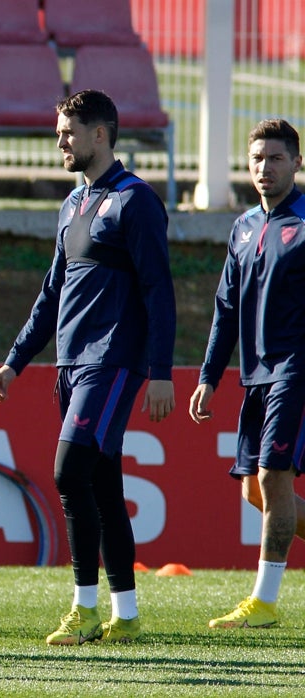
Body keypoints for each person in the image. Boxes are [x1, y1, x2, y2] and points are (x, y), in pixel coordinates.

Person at [0, 89, 176, 645]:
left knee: (69, 473)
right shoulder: (74, 203)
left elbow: (159, 292)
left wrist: (160, 370)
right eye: (59, 131)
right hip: (72, 362)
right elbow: (51, 294)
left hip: (112, 361)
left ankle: (84, 608)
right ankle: (128, 614)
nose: (60, 141)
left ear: (100, 134)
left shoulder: (136, 200)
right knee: (102, 485)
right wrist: (16, 363)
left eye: (69, 132)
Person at [190, 118, 305, 630]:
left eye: (276, 158)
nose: (265, 168)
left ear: (297, 164)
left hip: (295, 368)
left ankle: (264, 602)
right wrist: (209, 375)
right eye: (257, 159)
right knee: (255, 493)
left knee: (272, 477)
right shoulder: (242, 227)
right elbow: (225, 307)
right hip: (254, 374)